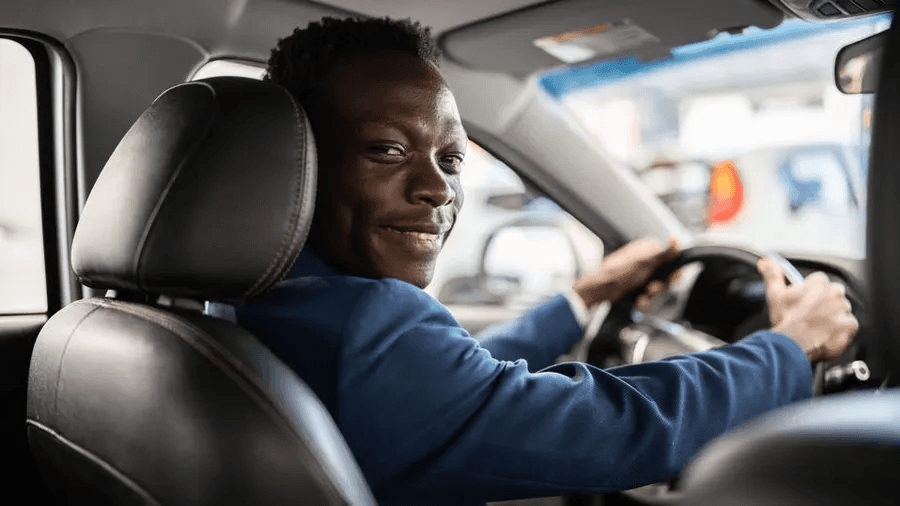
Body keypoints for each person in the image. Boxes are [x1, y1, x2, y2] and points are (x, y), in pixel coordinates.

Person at [213, 16, 858, 506]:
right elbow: (617, 428)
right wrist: (788, 348)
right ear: (300, 162)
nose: (437, 188)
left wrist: (581, 299)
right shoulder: (366, 324)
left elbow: (462, 389)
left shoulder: (255, 298)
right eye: (387, 150)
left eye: (452, 159)